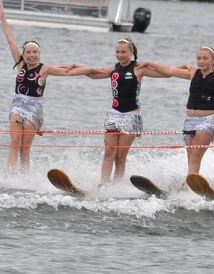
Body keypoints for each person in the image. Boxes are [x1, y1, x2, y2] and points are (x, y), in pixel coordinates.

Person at [67, 36, 175, 186]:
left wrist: (150, 63)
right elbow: (93, 74)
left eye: (123, 52)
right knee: (109, 151)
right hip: (114, 114)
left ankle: (116, 186)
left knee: (120, 157)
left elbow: (168, 73)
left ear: (131, 52)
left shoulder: (139, 69)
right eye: (117, 51)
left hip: (131, 116)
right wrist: (76, 66)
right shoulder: (114, 68)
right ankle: (103, 184)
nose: (120, 55)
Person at [0, 0, 80, 173]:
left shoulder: (45, 69)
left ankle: (25, 177)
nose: (31, 55)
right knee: (14, 142)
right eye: (28, 52)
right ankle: (10, 175)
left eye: (35, 52)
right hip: (18, 106)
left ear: (40, 54)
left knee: (24, 148)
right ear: (24, 54)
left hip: (35, 109)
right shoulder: (20, 64)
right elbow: (11, 40)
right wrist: (3, 18)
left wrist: (91, 70)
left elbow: (67, 72)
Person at [149, 46, 214, 176]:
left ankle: (187, 186)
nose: (201, 61)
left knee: (195, 156)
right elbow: (170, 70)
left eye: (205, 58)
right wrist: (147, 63)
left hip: (208, 121)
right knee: (190, 157)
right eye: (199, 58)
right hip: (189, 121)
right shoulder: (193, 73)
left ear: (213, 60)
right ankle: (191, 182)